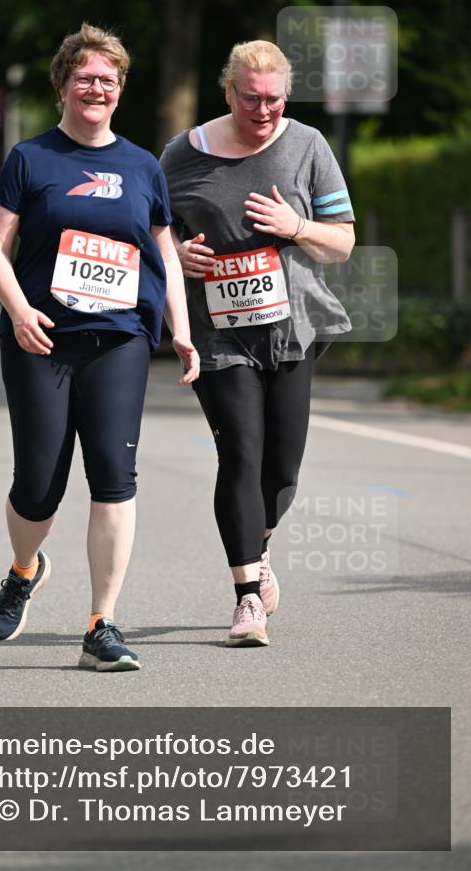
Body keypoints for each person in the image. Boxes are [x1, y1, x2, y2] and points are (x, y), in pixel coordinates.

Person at [0, 24, 198, 672]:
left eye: (108, 79)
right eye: (85, 78)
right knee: (38, 486)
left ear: (120, 90)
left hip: (118, 340)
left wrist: (180, 328)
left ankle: (101, 625)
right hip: (39, 339)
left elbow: (162, 248)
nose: (96, 87)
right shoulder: (30, 158)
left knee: (113, 477)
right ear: (63, 87)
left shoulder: (141, 166)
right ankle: (24, 570)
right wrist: (19, 310)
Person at [160, 40, 355, 648]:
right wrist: (178, 254)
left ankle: (258, 544)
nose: (263, 109)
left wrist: (295, 227)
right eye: (251, 98)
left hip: (291, 327)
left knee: (281, 467)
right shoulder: (183, 153)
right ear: (228, 92)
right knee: (241, 452)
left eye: (274, 99)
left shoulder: (308, 146)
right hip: (218, 333)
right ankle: (247, 597)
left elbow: (343, 241)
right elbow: (153, 231)